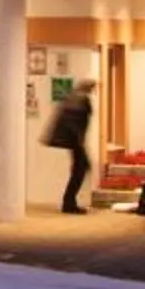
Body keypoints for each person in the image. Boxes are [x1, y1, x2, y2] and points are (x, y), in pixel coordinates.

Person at [46, 85, 96, 214]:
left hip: (74, 140)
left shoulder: (72, 98)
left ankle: (69, 202)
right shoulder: (81, 99)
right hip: (75, 141)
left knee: (80, 168)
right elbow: (76, 123)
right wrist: (79, 141)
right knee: (81, 168)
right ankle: (69, 203)